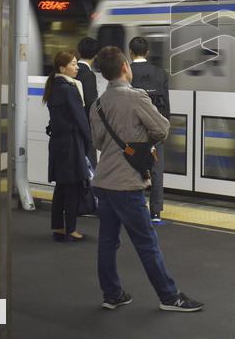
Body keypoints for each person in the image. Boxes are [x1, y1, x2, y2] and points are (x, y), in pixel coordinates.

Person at [89, 46, 203, 312]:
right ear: (125, 68)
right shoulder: (137, 97)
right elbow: (162, 128)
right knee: (146, 243)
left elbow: (96, 141)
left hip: (103, 182)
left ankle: (112, 293)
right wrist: (142, 142)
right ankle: (169, 296)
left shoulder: (97, 105)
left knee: (107, 242)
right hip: (127, 184)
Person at [44, 50, 93, 242]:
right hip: (72, 143)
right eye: (73, 64)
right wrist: (88, 141)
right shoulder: (70, 89)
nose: (77, 67)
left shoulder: (54, 86)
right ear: (62, 68)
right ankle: (71, 229)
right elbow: (80, 119)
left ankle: (58, 227)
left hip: (57, 143)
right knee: (72, 187)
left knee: (61, 187)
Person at [128, 36, 170, 225]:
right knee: (156, 170)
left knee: (131, 167)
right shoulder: (160, 73)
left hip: (132, 133)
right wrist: (163, 128)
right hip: (154, 133)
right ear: (147, 52)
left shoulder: (126, 72)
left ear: (130, 52)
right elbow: (166, 106)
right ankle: (156, 213)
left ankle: (133, 209)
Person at [77, 37, 101, 165]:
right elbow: (91, 105)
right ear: (96, 55)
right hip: (85, 129)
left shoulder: (71, 71)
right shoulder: (89, 75)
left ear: (79, 52)